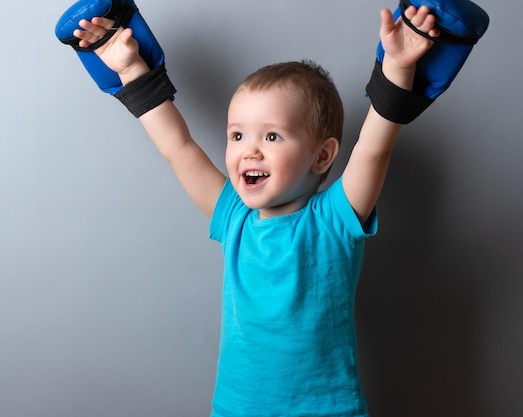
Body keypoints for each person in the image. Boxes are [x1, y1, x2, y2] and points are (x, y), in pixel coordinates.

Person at [72, 4, 439, 416]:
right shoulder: (234, 217)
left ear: (322, 156)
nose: (250, 149)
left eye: (272, 136)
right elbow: (179, 148)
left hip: (326, 410)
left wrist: (398, 68)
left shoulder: (334, 219)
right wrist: (130, 68)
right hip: (238, 408)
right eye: (238, 134)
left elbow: (375, 148)